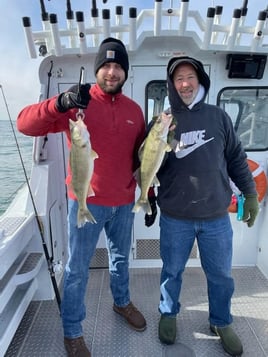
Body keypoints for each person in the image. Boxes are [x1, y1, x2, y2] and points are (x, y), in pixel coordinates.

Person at [17, 37, 146, 357]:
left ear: (125, 73)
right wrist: (59, 102)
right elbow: (24, 124)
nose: (112, 72)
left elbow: (142, 156)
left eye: (118, 66)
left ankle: (121, 303)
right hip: (85, 201)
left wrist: (149, 191)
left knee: (120, 260)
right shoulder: (79, 103)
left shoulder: (135, 110)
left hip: (124, 202)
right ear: (97, 69)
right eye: (106, 65)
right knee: (77, 269)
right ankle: (72, 332)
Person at [154, 56, 259, 356]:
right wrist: (161, 145)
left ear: (199, 80)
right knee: (171, 271)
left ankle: (221, 321)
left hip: (215, 216)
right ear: (172, 85)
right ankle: (168, 312)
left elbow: (237, 159)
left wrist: (249, 194)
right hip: (176, 216)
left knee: (221, 275)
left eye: (190, 77)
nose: (185, 84)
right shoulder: (163, 120)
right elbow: (148, 165)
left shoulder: (218, 117)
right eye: (178, 79)